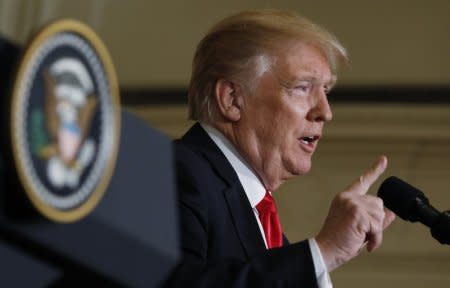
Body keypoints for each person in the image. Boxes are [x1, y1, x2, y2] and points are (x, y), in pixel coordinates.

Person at [164, 9, 395, 287]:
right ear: (232, 99)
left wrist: (324, 257)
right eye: (302, 87)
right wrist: (323, 252)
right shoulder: (173, 172)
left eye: (326, 91)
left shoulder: (256, 211)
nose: (325, 112)